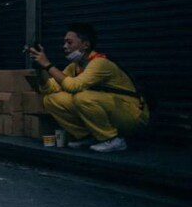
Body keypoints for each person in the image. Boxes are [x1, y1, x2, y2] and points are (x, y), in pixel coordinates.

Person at [29, 23, 148, 152]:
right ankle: (88, 136)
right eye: (64, 43)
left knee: (82, 97)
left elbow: (73, 86)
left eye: (69, 43)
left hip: (133, 114)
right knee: (51, 99)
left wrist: (47, 64)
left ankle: (113, 139)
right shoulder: (74, 67)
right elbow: (49, 88)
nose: (64, 47)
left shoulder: (100, 63)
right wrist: (40, 69)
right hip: (113, 109)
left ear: (85, 45)